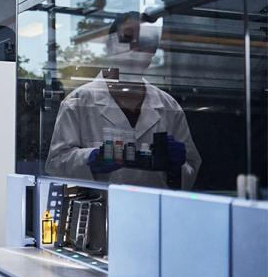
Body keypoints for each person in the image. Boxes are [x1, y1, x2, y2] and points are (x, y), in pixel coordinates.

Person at [46, 11, 201, 189]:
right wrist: (90, 159)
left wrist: (176, 167)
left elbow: (191, 170)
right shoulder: (78, 102)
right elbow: (55, 165)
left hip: (152, 212)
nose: (135, 49)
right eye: (127, 38)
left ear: (153, 52)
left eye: (145, 43)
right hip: (100, 210)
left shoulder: (169, 106)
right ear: (110, 47)